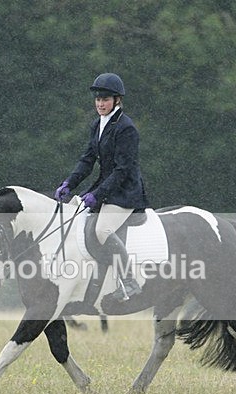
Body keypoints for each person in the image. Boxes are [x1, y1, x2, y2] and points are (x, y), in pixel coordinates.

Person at [54, 73, 149, 304]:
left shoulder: (126, 128)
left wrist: (97, 195)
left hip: (125, 193)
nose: (100, 103)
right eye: (97, 99)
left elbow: (122, 170)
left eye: (105, 99)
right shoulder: (98, 124)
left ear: (117, 100)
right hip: (107, 189)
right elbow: (88, 159)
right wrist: (69, 183)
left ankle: (129, 281)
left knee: (102, 230)